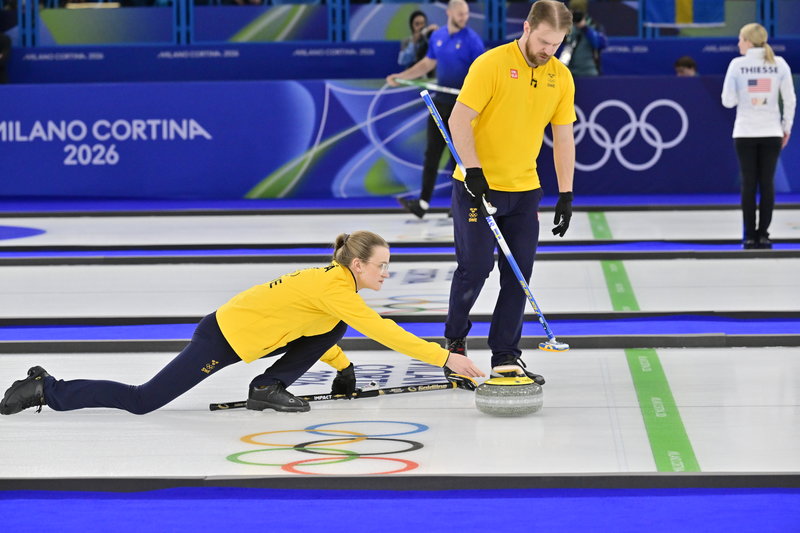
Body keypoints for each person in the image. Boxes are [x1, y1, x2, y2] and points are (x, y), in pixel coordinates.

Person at [0, 231, 484, 416]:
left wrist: (343, 367)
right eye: (382, 265)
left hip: (250, 334)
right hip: (222, 337)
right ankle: (47, 389)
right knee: (143, 400)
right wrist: (446, 358)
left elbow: (317, 328)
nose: (386, 273)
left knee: (335, 328)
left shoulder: (337, 287)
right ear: (358, 264)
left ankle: (267, 387)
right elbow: (384, 331)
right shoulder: (337, 289)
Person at [444, 0, 576, 385]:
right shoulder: (491, 64)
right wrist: (473, 170)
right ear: (527, 28)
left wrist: (566, 194)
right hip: (477, 187)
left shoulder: (561, 77)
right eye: (544, 41)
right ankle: (454, 345)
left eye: (557, 44)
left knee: (518, 275)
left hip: (524, 190)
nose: (549, 50)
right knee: (475, 269)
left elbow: (563, 137)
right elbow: (458, 119)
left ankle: (506, 354)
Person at [386, 0, 485, 219]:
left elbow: (481, 74)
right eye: (460, 14)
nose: (464, 17)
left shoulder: (472, 40)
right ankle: (422, 204)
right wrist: (401, 77)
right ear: (449, 13)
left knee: (459, 158)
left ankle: (460, 204)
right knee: (432, 154)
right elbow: (426, 64)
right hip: (439, 105)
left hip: (462, 108)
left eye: (466, 14)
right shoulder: (438, 36)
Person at [721, 23, 795, 249]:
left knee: (749, 183)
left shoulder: (737, 65)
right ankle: (764, 235)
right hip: (771, 132)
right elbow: (790, 99)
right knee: (767, 183)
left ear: (748, 41)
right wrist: (786, 127)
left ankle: (749, 236)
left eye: (740, 39)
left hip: (745, 132)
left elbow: (727, 101)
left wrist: (743, 95)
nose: (738, 44)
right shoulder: (779, 64)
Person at [557, 2, 606, 77]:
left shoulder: (594, 26)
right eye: (573, 11)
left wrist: (585, 28)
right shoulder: (566, 26)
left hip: (589, 71)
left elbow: (600, 44)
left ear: (584, 12)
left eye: (578, 11)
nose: (576, 14)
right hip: (569, 71)